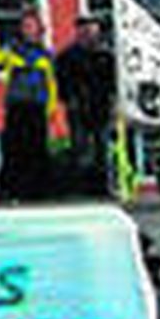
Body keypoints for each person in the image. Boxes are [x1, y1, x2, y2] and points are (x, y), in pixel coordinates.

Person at [0, 6, 59, 204]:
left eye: (31, 26)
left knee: (37, 151)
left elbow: (52, 84)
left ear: (39, 29)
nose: (28, 29)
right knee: (13, 150)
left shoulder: (46, 54)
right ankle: (9, 192)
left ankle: (38, 192)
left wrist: (51, 109)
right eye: (25, 26)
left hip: (37, 107)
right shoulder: (12, 49)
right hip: (17, 106)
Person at [56, 14, 116, 198]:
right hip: (78, 109)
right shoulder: (67, 56)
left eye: (91, 28)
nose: (87, 32)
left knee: (102, 151)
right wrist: (68, 100)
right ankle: (80, 189)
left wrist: (113, 103)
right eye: (83, 28)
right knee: (80, 150)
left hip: (101, 108)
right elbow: (61, 81)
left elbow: (113, 83)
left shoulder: (107, 55)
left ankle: (105, 188)